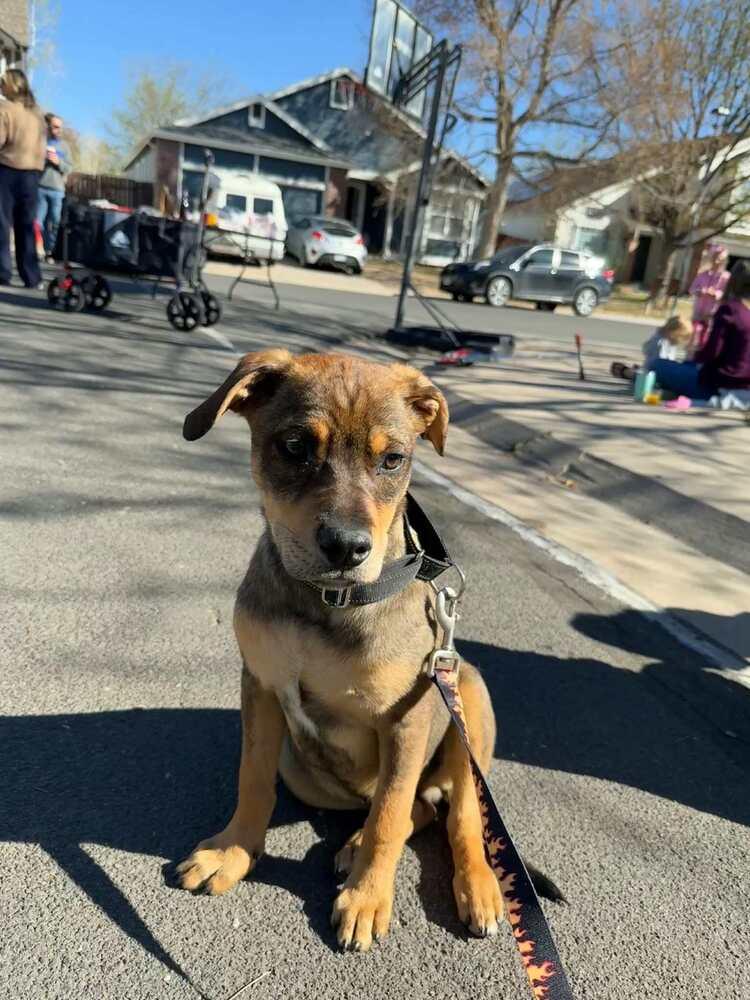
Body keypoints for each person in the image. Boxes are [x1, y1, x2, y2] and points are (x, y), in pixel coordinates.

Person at [654, 260, 750, 408]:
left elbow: (712, 351)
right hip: (745, 388)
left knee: (659, 365)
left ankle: (646, 379)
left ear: (733, 282)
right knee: (686, 366)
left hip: (717, 385)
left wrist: (697, 356)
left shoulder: (730, 309)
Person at [0, 68, 45, 288]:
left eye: (2, 83)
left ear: (10, 86)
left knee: (2, 223)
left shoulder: (4, 109)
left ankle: (2, 272)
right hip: (32, 174)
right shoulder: (37, 113)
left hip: (7, 170)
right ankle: (32, 276)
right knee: (26, 225)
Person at [610, 316, 692, 381]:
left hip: (659, 369)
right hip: (653, 371)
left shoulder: (669, 341)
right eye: (680, 338)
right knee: (642, 377)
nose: (679, 342)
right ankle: (625, 371)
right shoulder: (659, 342)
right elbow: (647, 350)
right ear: (674, 334)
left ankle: (636, 370)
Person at [36, 112, 71, 261]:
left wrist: (58, 162)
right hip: (40, 187)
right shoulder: (40, 143)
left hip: (57, 190)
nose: (58, 130)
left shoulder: (65, 147)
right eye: (55, 127)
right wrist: (42, 159)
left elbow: (69, 167)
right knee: (39, 221)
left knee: (55, 221)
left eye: (60, 127)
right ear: (49, 127)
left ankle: (51, 249)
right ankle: (40, 249)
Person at [688, 244, 730, 351]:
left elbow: (728, 295)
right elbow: (692, 289)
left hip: (712, 314)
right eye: (714, 257)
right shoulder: (703, 274)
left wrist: (716, 294)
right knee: (693, 336)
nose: (716, 261)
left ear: (724, 261)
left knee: (707, 339)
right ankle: (690, 356)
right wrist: (699, 291)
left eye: (719, 259)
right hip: (698, 312)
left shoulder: (726, 278)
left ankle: (702, 357)